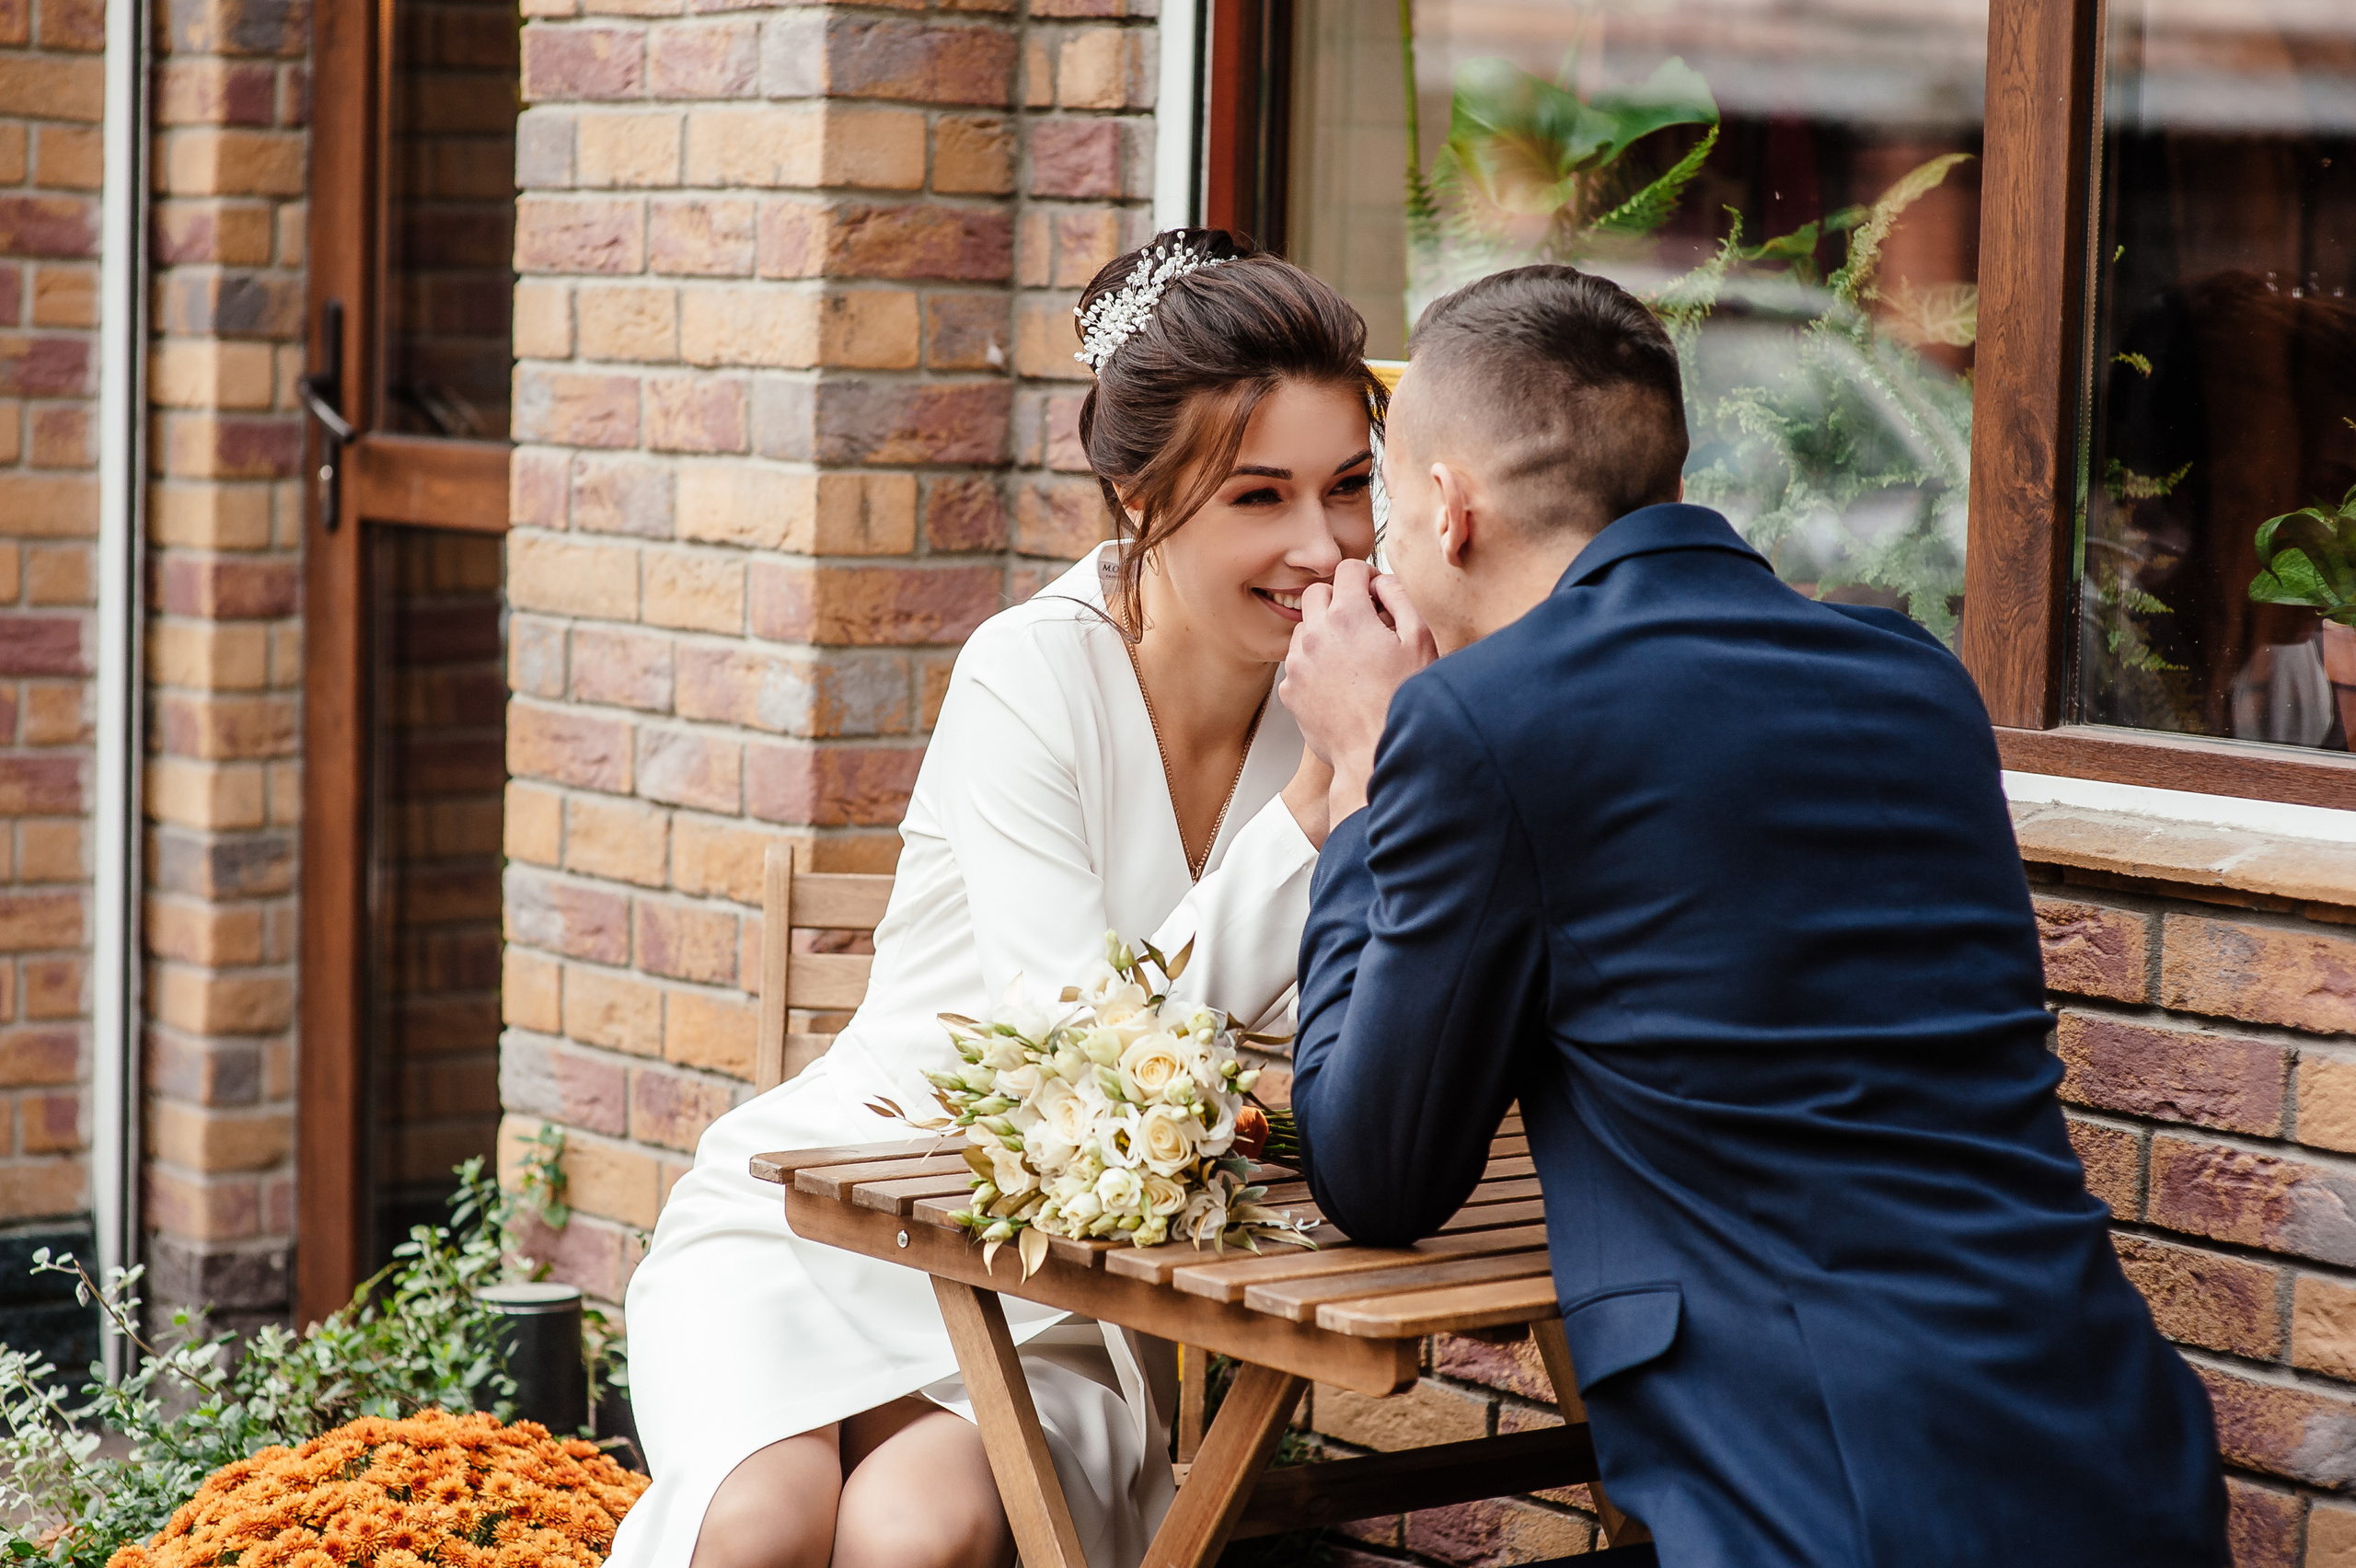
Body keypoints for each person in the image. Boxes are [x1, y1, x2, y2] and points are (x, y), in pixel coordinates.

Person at [1277, 265, 2230, 1566]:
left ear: (1447, 510)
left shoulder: (1481, 725)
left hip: (1828, 1509)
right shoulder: (1910, 680)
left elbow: (1374, 1170)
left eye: (1381, 502)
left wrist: (1368, 771)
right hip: (2118, 1456)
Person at [610, 229, 1383, 1568]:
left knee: (928, 1531)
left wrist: (1342, 765)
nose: (1323, 547)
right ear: (1140, 499)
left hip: (1051, 1291)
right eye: (1261, 497)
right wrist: (1321, 800)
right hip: (826, 1212)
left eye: (1352, 488)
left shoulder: (1360, 700)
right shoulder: (1030, 672)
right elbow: (1091, 1061)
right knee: (760, 1524)